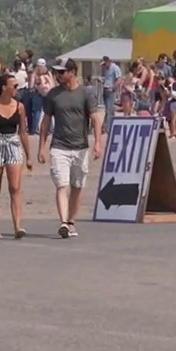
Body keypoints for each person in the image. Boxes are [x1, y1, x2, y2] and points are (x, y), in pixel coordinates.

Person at [37, 58, 105, 239]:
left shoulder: (85, 93)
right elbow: (45, 122)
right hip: (59, 146)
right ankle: (63, 223)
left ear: (72, 72)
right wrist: (41, 147)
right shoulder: (53, 95)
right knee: (61, 184)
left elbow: (95, 119)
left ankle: (72, 220)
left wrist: (98, 143)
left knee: (77, 186)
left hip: (81, 147)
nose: (58, 76)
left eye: (62, 72)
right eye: (57, 72)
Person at [0, 72, 33, 238]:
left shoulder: (19, 107)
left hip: (13, 143)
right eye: (14, 86)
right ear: (4, 88)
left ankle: (18, 226)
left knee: (15, 187)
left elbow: (23, 132)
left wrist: (29, 156)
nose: (17, 88)